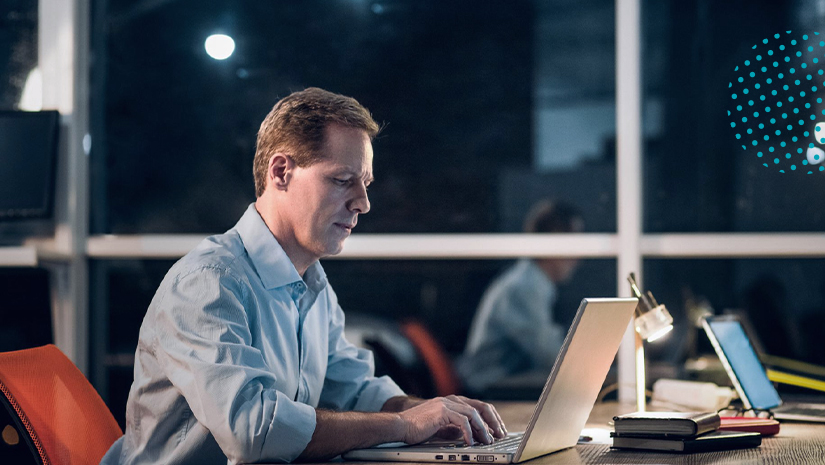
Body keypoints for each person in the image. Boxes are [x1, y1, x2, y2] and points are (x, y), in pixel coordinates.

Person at [102, 88, 506, 465]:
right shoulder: (208, 283)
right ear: (281, 172)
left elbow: (354, 388)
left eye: (364, 184)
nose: (363, 203)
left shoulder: (311, 282)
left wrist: (432, 414)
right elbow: (253, 430)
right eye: (342, 181)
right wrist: (403, 426)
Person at [457, 200, 583, 394]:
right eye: (573, 243)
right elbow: (551, 355)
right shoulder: (524, 287)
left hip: (505, 381)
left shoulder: (533, 282)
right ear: (552, 242)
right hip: (487, 387)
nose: (578, 257)